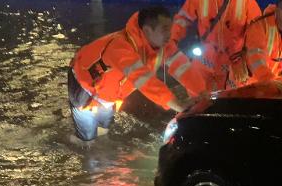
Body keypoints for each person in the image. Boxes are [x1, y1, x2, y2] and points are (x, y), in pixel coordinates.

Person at [68, 7, 201, 142]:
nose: (169, 34)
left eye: (170, 28)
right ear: (147, 31)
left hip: (110, 94)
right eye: (164, 29)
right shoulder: (120, 47)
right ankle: (76, 140)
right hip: (84, 86)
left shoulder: (161, 43)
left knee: (103, 131)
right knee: (88, 139)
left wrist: (202, 93)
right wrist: (178, 104)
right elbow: (145, 80)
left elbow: (182, 67)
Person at [165, 0, 261, 92]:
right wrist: (171, 40)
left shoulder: (246, 1)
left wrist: (245, 57)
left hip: (234, 59)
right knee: (197, 92)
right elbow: (183, 19)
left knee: (237, 96)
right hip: (205, 56)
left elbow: (257, 33)